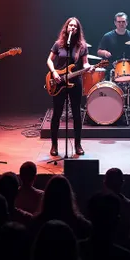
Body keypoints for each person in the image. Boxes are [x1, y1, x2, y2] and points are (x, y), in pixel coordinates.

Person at [47, 17, 92, 156]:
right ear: (66, 28)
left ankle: (78, 145)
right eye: (70, 25)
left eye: (75, 26)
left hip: (75, 81)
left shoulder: (82, 46)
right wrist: (54, 72)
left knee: (77, 114)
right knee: (57, 114)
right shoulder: (58, 44)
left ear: (78, 30)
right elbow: (49, 60)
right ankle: (54, 145)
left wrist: (88, 67)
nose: (72, 28)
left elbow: (85, 63)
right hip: (58, 81)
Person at [97, 12, 130, 77]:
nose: (121, 24)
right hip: (112, 69)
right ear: (115, 23)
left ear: (127, 22)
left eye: (123, 22)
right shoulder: (107, 36)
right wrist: (105, 53)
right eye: (119, 22)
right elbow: (99, 52)